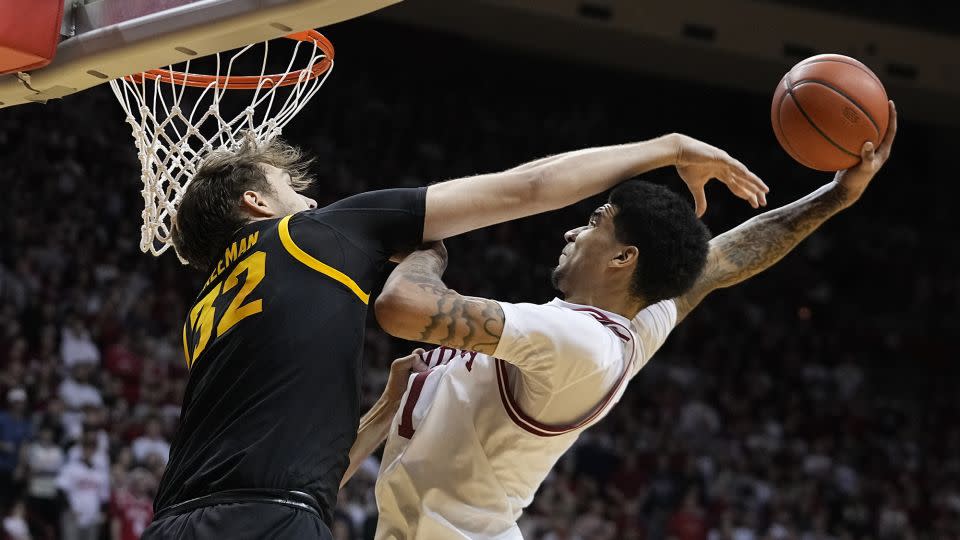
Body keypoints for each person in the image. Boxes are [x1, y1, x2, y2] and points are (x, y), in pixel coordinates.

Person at [142, 131, 767, 540]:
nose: (310, 202)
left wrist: (386, 412)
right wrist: (670, 147)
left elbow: (289, 462)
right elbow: (530, 187)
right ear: (256, 203)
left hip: (172, 521)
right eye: (293, 193)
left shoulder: (203, 314)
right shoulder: (315, 234)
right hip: (269, 520)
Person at [360, 104, 896, 538]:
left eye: (595, 222)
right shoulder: (628, 329)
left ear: (623, 259)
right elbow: (722, 262)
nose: (572, 232)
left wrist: (427, 248)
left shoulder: (576, 341)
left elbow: (401, 307)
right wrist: (835, 197)